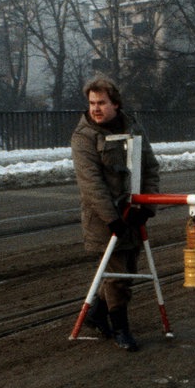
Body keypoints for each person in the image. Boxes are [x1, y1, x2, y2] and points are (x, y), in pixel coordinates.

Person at [71, 77, 160, 352]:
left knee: (127, 270)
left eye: (102, 103)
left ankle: (97, 312)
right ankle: (121, 329)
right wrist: (112, 219)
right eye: (92, 103)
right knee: (119, 276)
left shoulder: (132, 127)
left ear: (116, 104)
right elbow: (91, 185)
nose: (96, 109)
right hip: (104, 218)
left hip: (131, 212)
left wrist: (146, 207)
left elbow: (150, 167)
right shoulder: (83, 137)